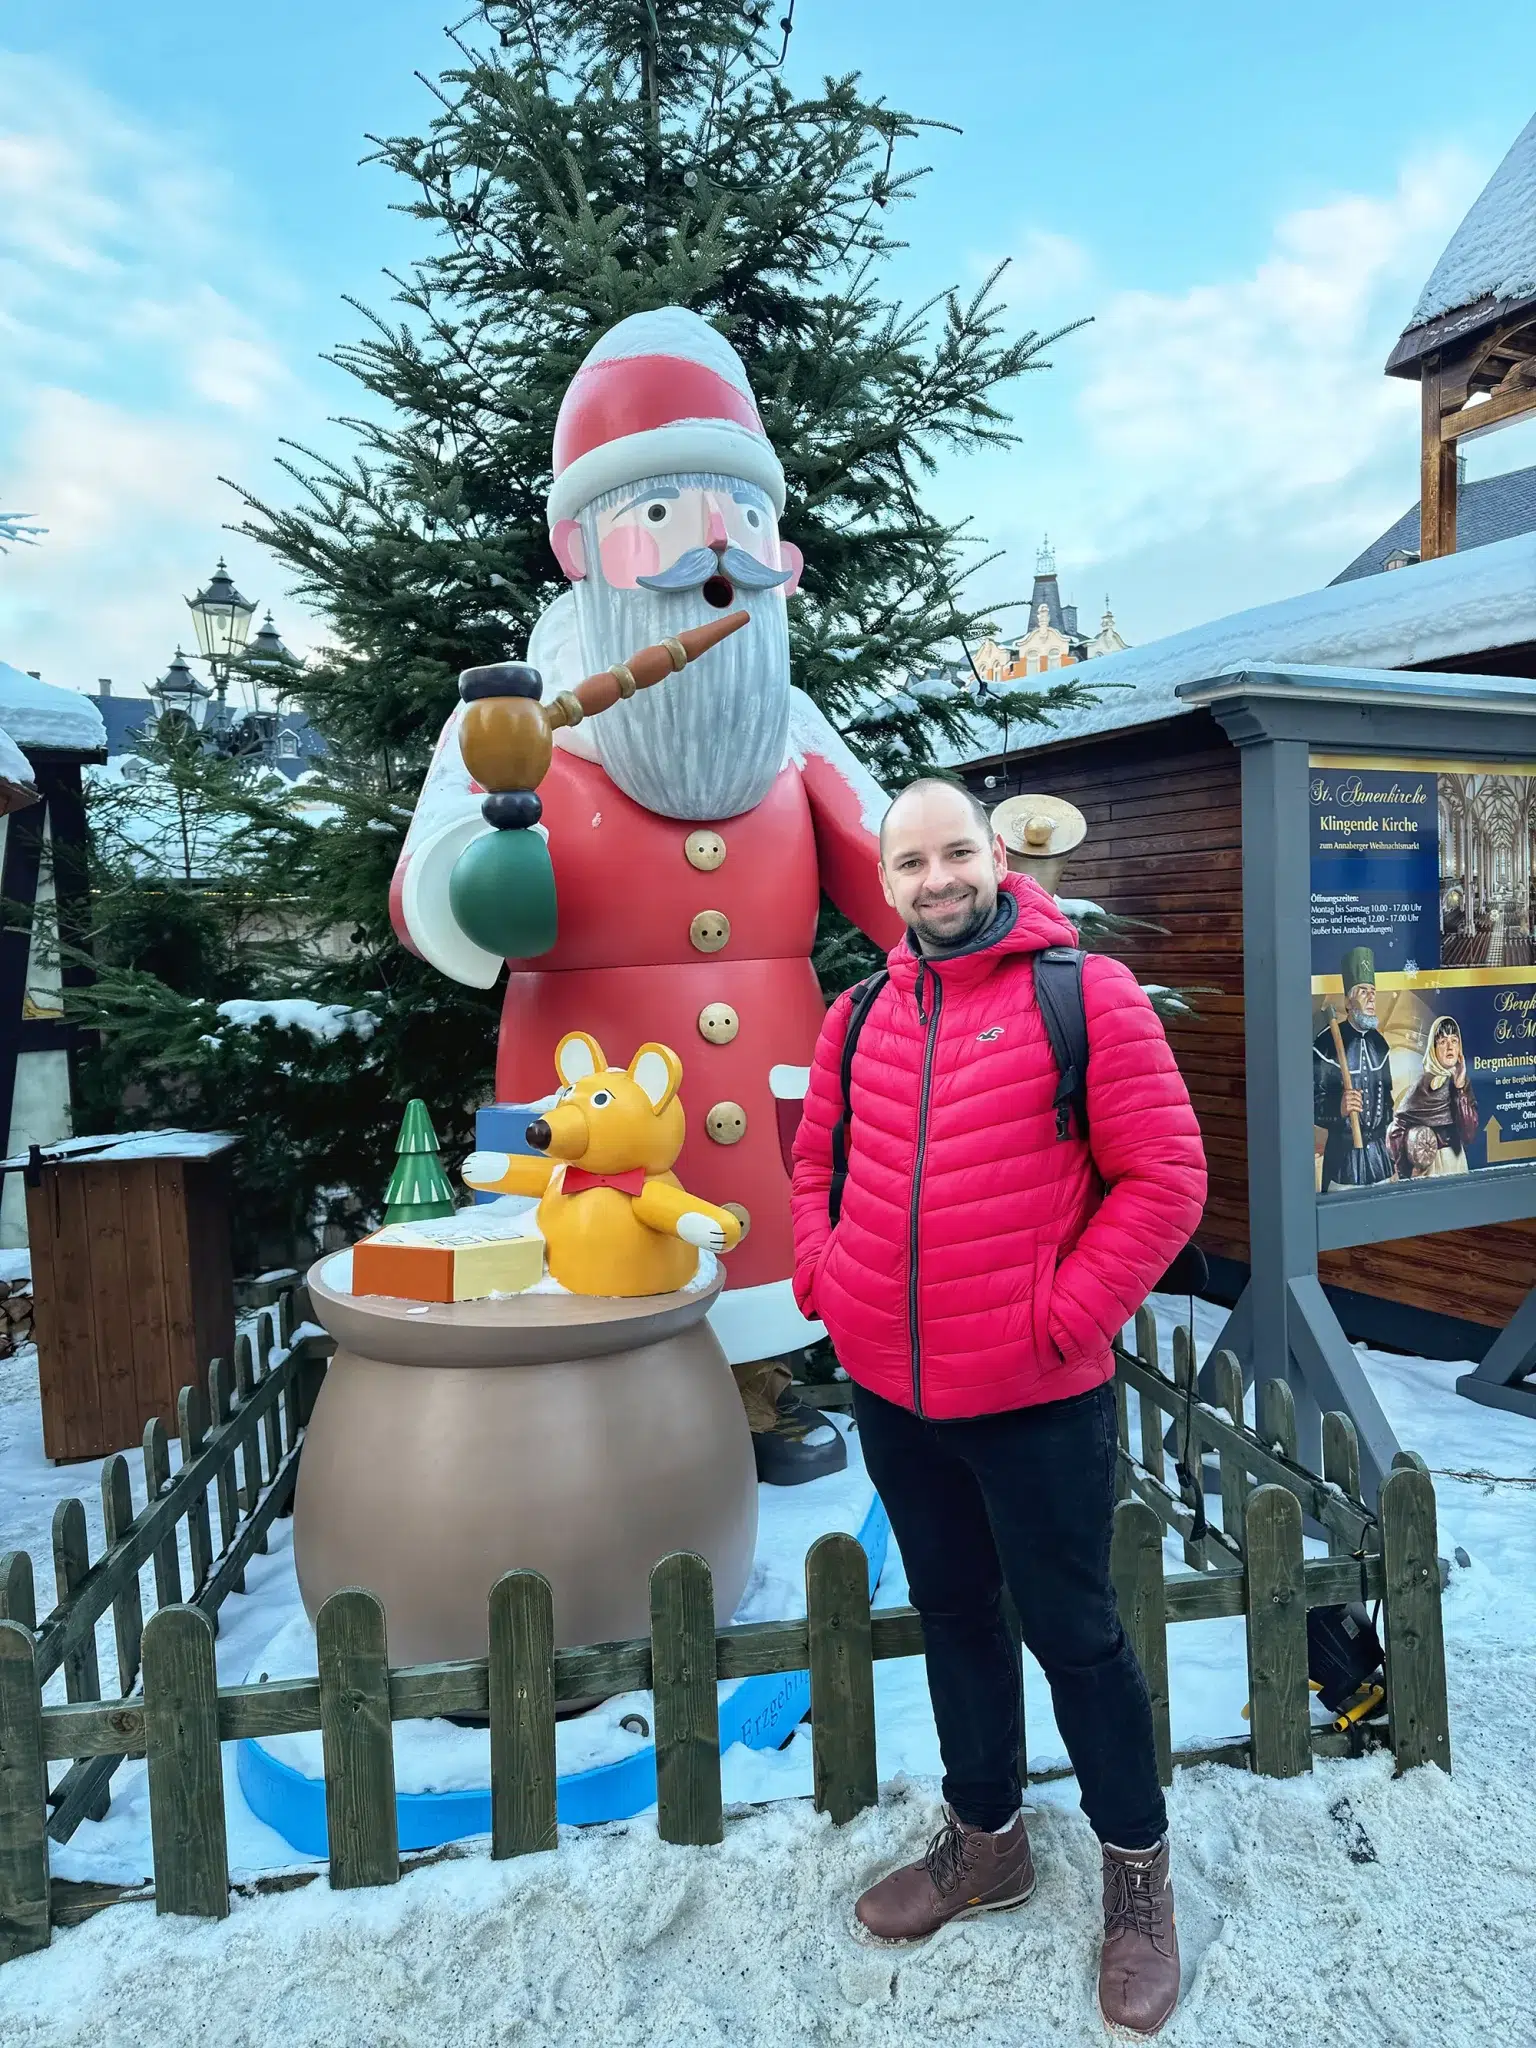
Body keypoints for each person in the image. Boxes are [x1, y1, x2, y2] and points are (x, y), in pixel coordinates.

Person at [390, 307, 904, 1482]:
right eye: (664, 517)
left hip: (770, 1053)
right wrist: (493, 872)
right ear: (585, 543)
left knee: (763, 1215)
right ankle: (614, 1403)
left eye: (742, 521)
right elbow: (430, 890)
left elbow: (891, 868)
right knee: (595, 1227)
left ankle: (761, 1384)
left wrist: (983, 896)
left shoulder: (790, 721)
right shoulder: (514, 717)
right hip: (579, 1064)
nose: (710, 553)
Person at [790, 779, 1207, 2040]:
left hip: (1034, 1392)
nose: (937, 879)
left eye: (955, 850)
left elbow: (1166, 1177)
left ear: (995, 854)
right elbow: (814, 1164)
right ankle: (988, 1841)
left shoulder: (1085, 995)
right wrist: (830, 1282)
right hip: (898, 1391)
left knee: (1075, 1632)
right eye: (910, 860)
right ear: (887, 880)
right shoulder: (858, 1015)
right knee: (955, 1613)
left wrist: (1062, 1316)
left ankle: (1136, 1870)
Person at [1313, 948, 1393, 1190]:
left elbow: (1388, 1102)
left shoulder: (1381, 1044)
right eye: (1363, 992)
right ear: (1348, 1001)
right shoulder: (1326, 1043)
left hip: (1380, 1160)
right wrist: (1339, 1107)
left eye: (1373, 992)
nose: (1371, 998)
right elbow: (1312, 1104)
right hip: (1343, 1161)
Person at [1389, 1015, 1478, 1177]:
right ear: (1433, 1048)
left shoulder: (1462, 1083)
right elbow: (1397, 1129)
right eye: (1443, 1042)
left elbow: (1469, 1134)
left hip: (1456, 1160)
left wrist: (1459, 1090)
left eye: (1454, 1041)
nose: (1450, 1047)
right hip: (1431, 1165)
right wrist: (1407, 1170)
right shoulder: (1423, 1085)